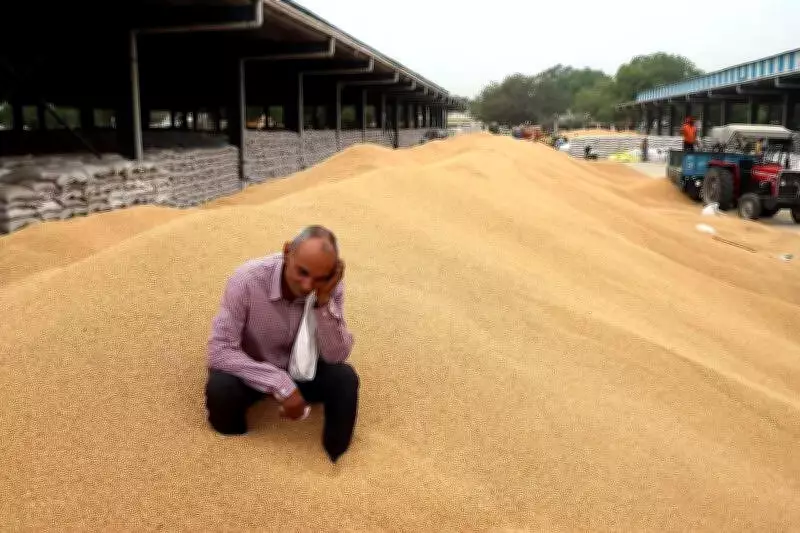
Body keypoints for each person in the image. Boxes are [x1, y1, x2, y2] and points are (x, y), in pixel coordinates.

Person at [205, 225, 359, 463]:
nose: (308, 286)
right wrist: (280, 383)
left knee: (345, 379)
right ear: (288, 252)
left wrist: (323, 303)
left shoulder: (329, 288)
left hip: (302, 367)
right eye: (302, 272)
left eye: (319, 278)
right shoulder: (246, 281)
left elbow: (337, 355)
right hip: (253, 369)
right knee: (221, 388)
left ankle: (338, 466)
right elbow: (220, 350)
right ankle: (233, 461)